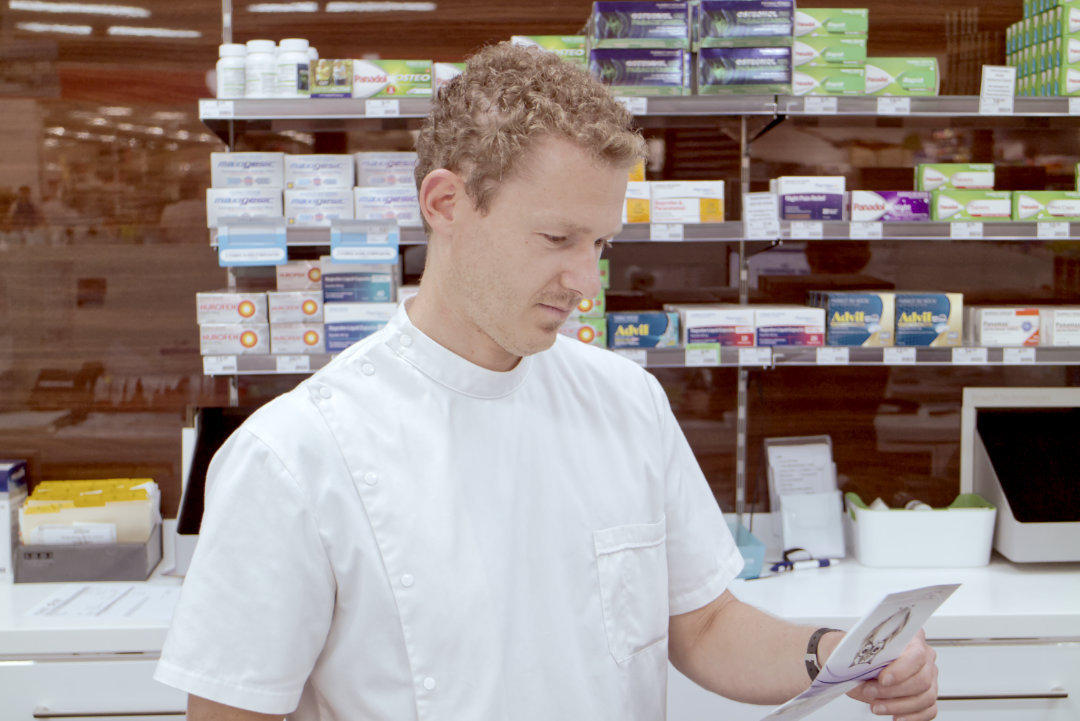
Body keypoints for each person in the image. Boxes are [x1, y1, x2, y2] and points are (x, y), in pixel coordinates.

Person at [155, 42, 939, 721]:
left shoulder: (626, 402)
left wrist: (836, 653)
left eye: (599, 243)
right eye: (558, 238)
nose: (586, 283)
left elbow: (702, 625)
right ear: (446, 203)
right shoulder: (296, 456)